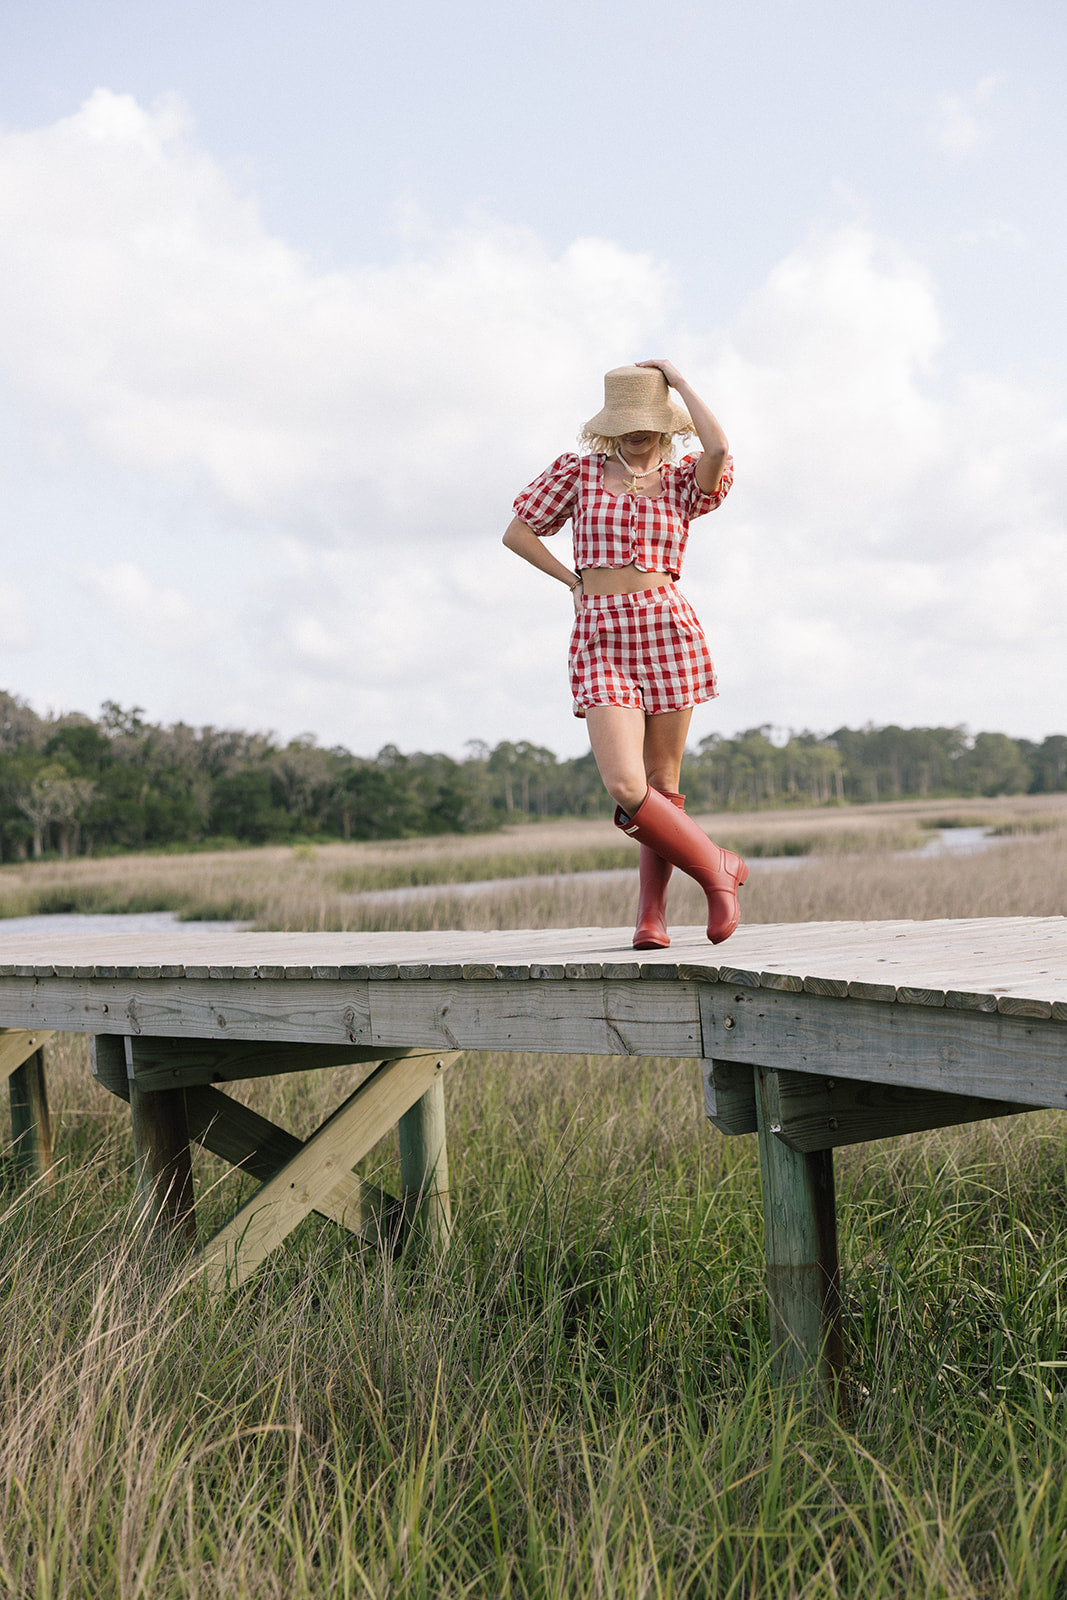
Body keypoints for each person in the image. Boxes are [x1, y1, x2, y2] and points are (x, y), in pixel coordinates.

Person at [502, 359, 747, 948]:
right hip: (601, 634)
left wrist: (682, 384)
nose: (636, 430)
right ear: (608, 423)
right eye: (625, 420)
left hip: (667, 628)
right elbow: (518, 533)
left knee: (664, 782)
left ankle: (652, 918)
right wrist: (572, 579)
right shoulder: (578, 473)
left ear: (666, 422)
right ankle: (717, 868)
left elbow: (719, 448)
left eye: (647, 419)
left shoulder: (686, 478)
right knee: (625, 784)